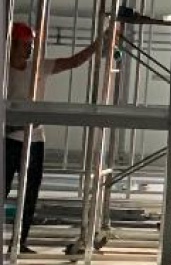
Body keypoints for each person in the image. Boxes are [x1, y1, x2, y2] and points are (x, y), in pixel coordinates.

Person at [6, 17, 112, 253]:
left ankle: (19, 241)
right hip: (9, 140)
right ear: (12, 45)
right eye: (25, 44)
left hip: (35, 140)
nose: (29, 49)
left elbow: (73, 62)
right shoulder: (5, 73)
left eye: (31, 44)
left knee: (30, 193)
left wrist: (98, 44)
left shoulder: (38, 68)